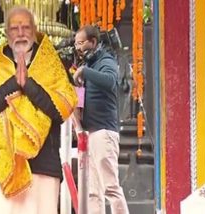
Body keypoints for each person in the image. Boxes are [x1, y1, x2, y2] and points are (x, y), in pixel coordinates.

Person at [0, 6, 77, 214]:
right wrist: (12, 84)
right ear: (7, 33)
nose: (20, 33)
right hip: (3, 169)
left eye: (26, 27)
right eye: (15, 28)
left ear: (34, 31)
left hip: (43, 167)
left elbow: (60, 111)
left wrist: (29, 85)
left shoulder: (50, 62)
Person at [72, 25, 129, 214]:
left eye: (81, 43)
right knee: (93, 192)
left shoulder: (106, 60)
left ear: (93, 42)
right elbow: (83, 98)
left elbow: (110, 82)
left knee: (110, 188)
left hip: (104, 133)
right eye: (76, 44)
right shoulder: (88, 66)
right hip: (90, 134)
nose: (78, 48)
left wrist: (85, 72)